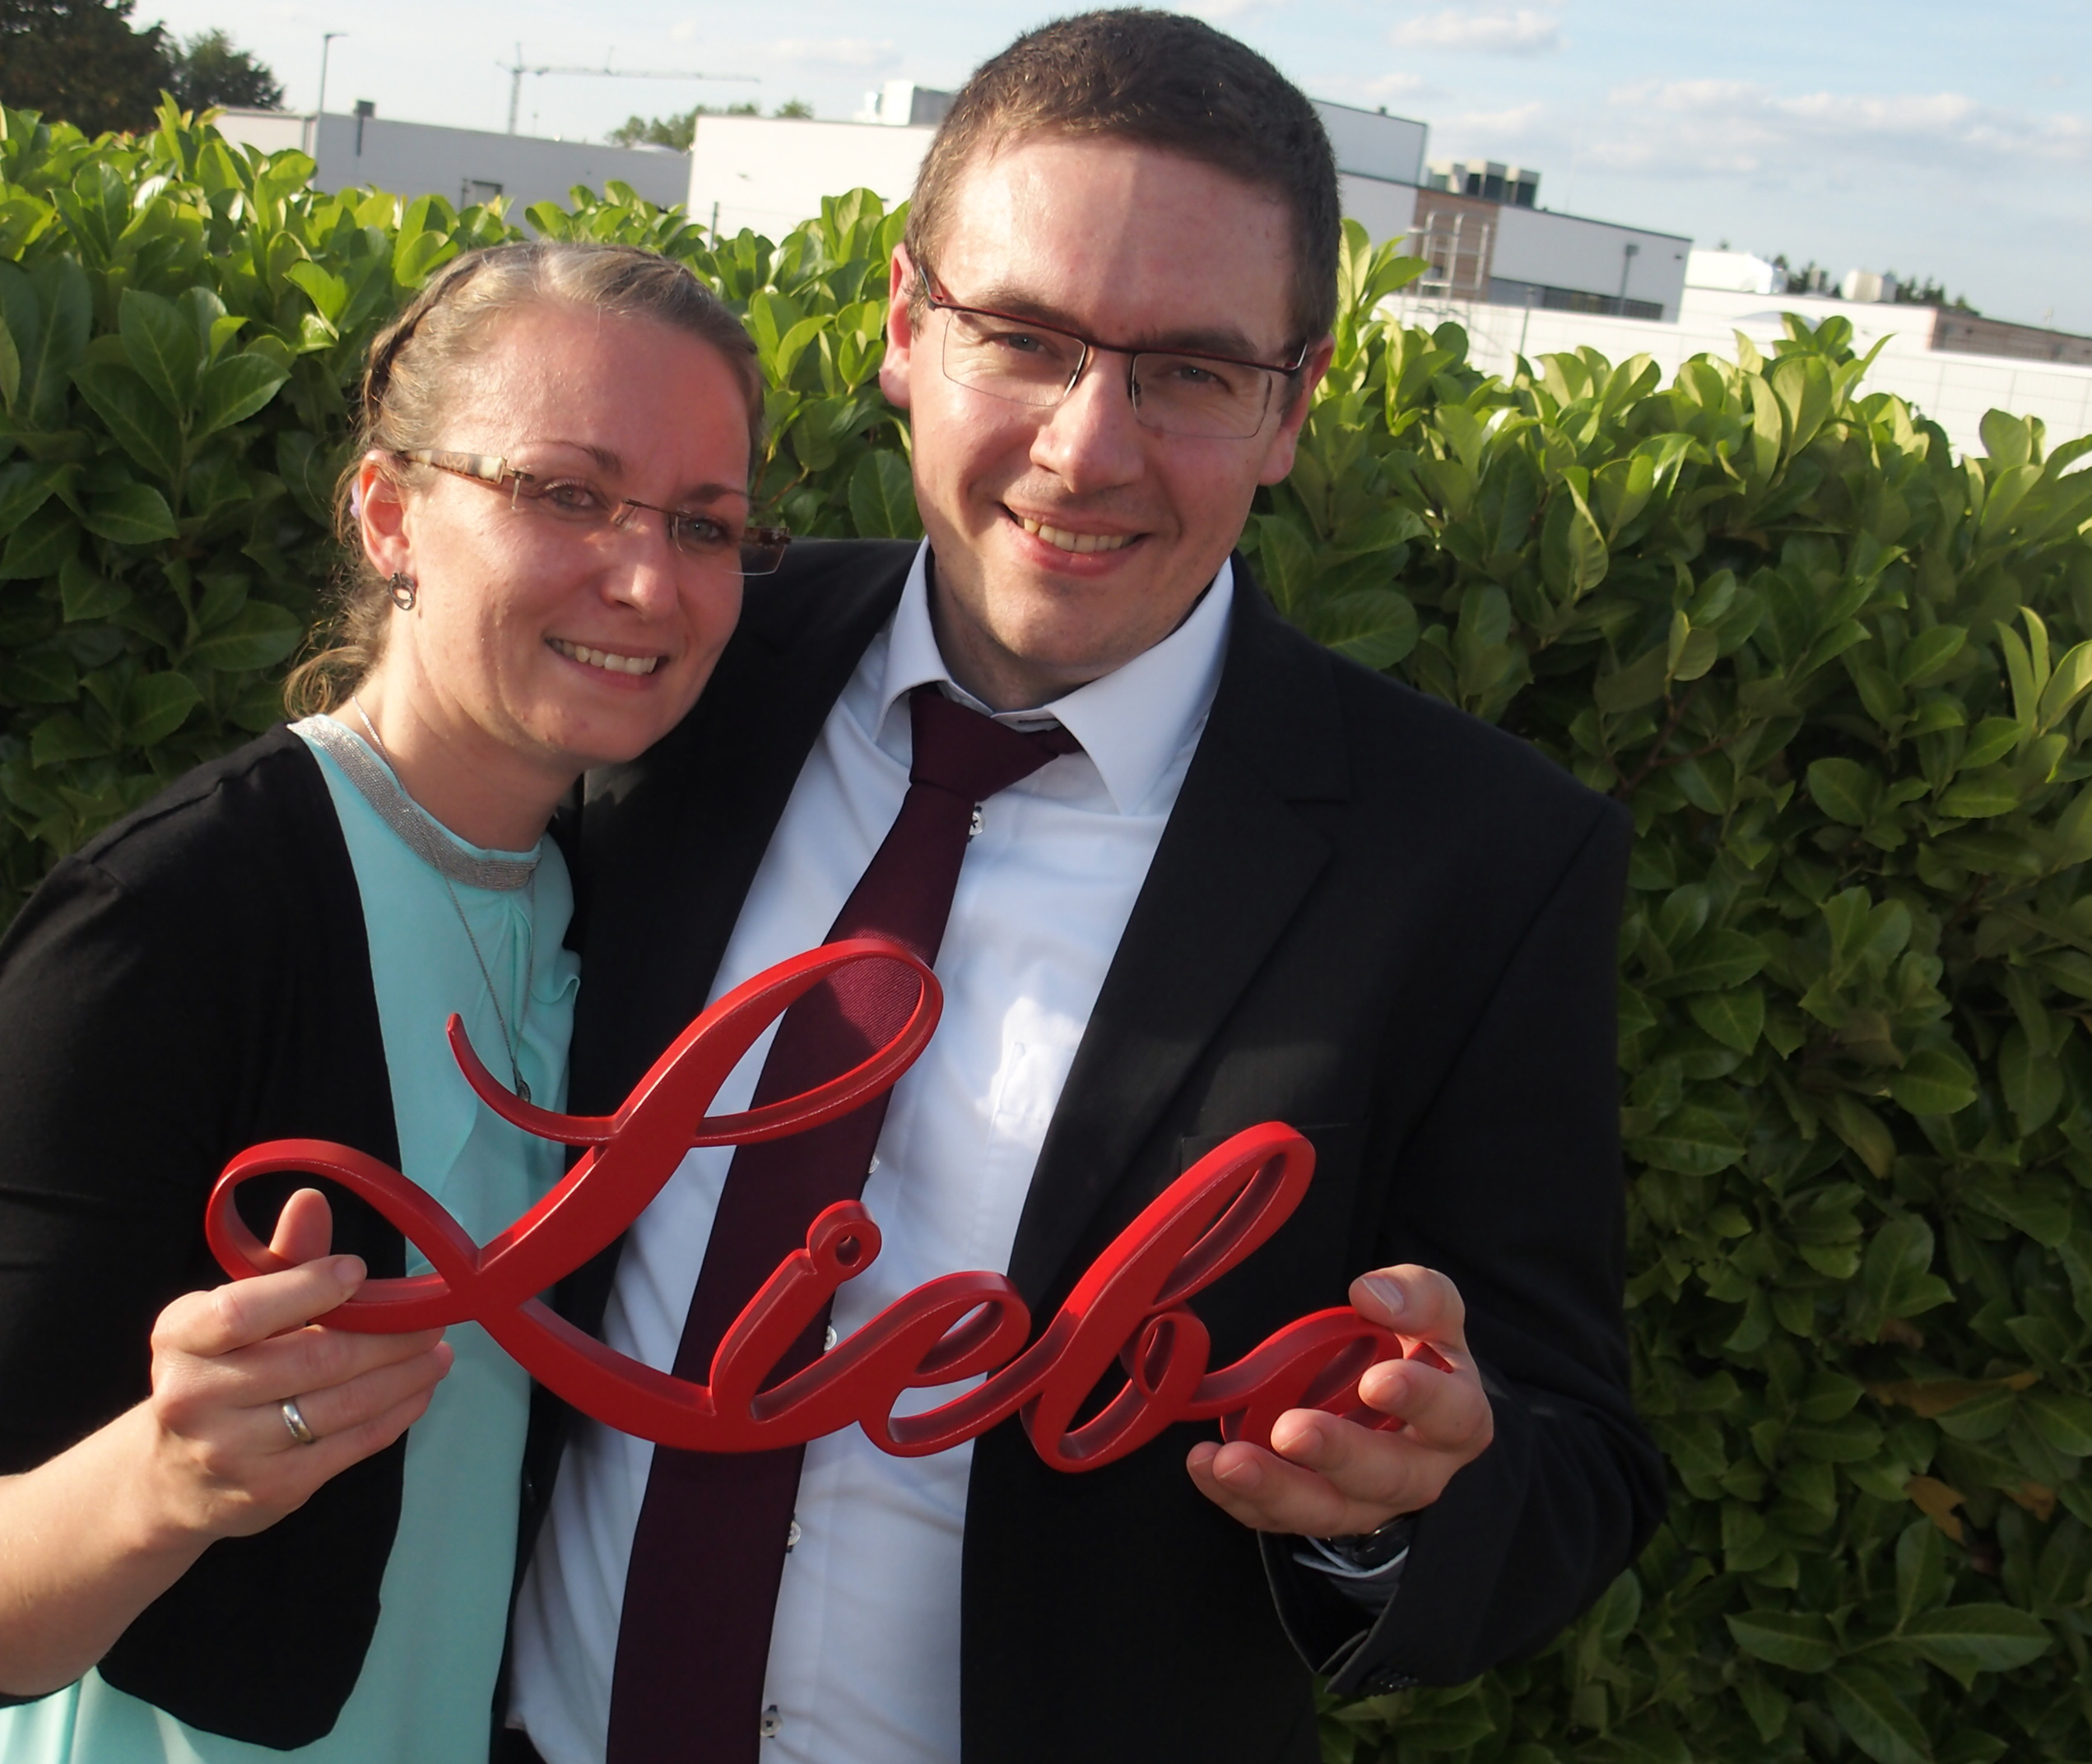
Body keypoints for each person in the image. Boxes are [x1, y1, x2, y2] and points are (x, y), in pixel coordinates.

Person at [501, 13, 1664, 1763]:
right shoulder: (677, 671)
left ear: (1292, 406)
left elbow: (1576, 1458)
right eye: (1026, 339)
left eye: (1189, 370)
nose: (1087, 446)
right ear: (907, 328)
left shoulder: (1479, 861)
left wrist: (1394, 1502)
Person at [0, 240, 781, 1763]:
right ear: (390, 512)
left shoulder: (616, 906)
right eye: (566, 492)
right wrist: (167, 1477)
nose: (646, 578)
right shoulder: (166, 924)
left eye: (705, 524)